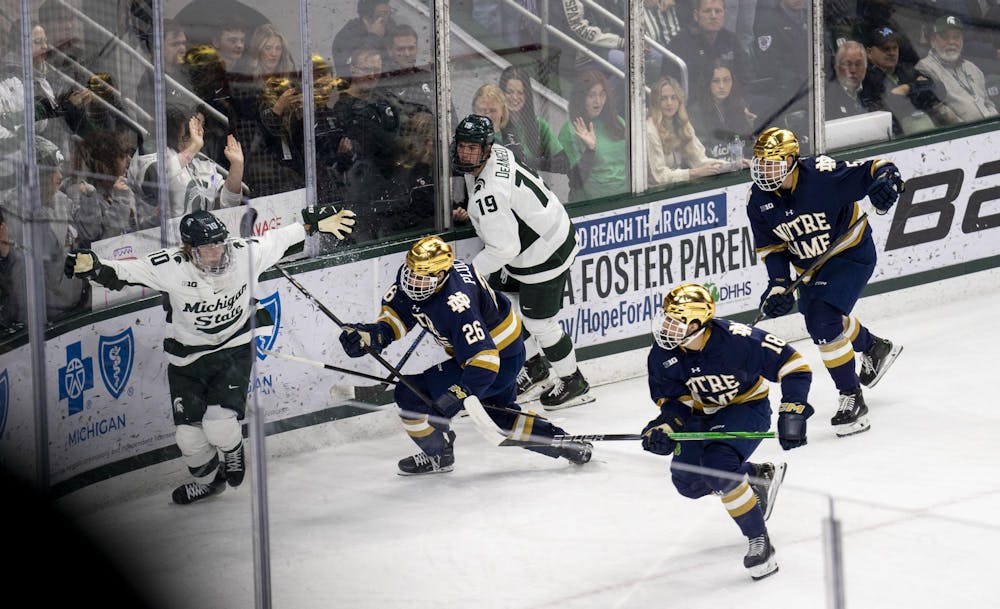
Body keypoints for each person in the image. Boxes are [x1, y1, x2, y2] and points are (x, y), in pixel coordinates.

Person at [63, 205, 357, 503]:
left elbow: (279, 239)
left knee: (219, 424)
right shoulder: (170, 266)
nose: (217, 251)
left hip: (235, 348)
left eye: (220, 242)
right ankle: (208, 482)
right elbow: (124, 272)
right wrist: (94, 266)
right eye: (207, 246)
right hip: (187, 360)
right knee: (188, 439)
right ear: (189, 249)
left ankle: (233, 450)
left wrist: (314, 225)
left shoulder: (243, 254)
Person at [337, 235, 593, 474]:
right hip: (503, 351)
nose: (412, 282)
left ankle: (439, 454)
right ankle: (561, 441)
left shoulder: (457, 303)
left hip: (495, 359)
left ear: (441, 274)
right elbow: (400, 313)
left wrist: (456, 396)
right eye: (411, 272)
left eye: (422, 277)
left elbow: (485, 360)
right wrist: (372, 336)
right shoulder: (419, 280)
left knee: (409, 394)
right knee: (501, 416)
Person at [641, 282, 812, 580]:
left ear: (697, 323)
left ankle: (759, 541)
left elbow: (794, 364)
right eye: (666, 317)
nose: (666, 325)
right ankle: (755, 476)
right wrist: (665, 426)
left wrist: (792, 410)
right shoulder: (662, 354)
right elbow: (675, 402)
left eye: (675, 320)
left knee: (718, 466)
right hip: (701, 417)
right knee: (689, 483)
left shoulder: (738, 341)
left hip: (746, 409)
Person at [746, 127, 905, 437]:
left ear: (792, 160)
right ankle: (873, 347)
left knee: (822, 321)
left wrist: (887, 182)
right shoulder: (757, 200)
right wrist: (778, 284)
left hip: (849, 254)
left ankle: (852, 397)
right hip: (811, 266)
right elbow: (772, 247)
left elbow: (876, 168)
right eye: (761, 163)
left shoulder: (821, 175)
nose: (765, 171)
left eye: (772, 163)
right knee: (825, 319)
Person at [453, 114, 592, 410]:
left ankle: (573, 381)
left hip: (544, 253)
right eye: (462, 146)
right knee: (506, 307)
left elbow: (503, 248)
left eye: (472, 147)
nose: (465, 153)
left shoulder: (489, 193)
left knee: (539, 322)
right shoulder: (501, 152)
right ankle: (536, 369)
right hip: (541, 237)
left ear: (487, 148)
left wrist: (466, 275)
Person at [557, 69, 627, 204]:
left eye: (602, 94)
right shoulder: (570, 131)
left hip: (625, 203)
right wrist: (590, 150)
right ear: (581, 98)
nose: (598, 101)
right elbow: (576, 181)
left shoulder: (617, 122)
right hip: (591, 209)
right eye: (592, 95)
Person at [915, 16, 998, 123]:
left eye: (956, 37)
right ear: (933, 41)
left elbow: (988, 103)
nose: (952, 42)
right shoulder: (924, 68)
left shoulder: (972, 68)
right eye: (945, 37)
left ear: (962, 41)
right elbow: (940, 111)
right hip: (961, 133)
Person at [645, 76, 726, 186]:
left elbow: (700, 161)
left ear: (679, 101)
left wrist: (734, 165)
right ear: (655, 102)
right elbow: (659, 177)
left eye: (673, 98)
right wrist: (692, 173)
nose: (669, 103)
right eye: (663, 98)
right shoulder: (650, 129)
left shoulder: (683, 124)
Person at [498, 66, 568, 174]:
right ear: (501, 93)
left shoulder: (539, 125)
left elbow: (564, 163)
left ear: (527, 96)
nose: (515, 97)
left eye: (520, 93)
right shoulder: (493, 123)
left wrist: (530, 163)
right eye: (509, 92)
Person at [688, 59, 756, 160]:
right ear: (707, 83)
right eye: (716, 81)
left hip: (741, 166)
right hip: (714, 169)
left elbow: (748, 146)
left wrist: (751, 126)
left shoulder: (738, 105)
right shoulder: (696, 111)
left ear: (732, 81)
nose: (721, 86)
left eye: (726, 80)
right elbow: (701, 151)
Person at [331, 0, 396, 81]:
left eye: (389, 13)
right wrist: (373, 37)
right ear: (367, 17)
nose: (387, 18)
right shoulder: (347, 36)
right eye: (382, 14)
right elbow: (347, 72)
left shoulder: (388, 31)